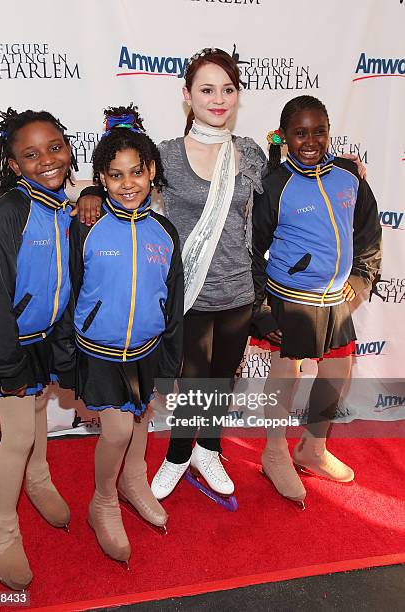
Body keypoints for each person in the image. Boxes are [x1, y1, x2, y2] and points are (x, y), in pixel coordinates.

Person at [77, 48, 267, 500]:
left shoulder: (252, 152)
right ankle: (181, 454)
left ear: (237, 95)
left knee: (221, 380)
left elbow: (275, 193)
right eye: (206, 89)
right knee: (192, 381)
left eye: (227, 89)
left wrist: (342, 166)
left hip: (238, 291)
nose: (217, 99)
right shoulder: (166, 154)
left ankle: (210, 448)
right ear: (187, 95)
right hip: (189, 293)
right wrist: (88, 189)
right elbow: (126, 182)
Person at [251, 95, 382, 507]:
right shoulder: (274, 185)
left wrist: (359, 280)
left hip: (336, 298)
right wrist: (261, 307)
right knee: (286, 373)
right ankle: (274, 453)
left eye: (319, 131)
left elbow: (368, 234)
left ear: (329, 131)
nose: (311, 140)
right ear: (285, 137)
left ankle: (313, 447)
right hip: (289, 298)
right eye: (300, 133)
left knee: (338, 368)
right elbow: (252, 249)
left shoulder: (349, 176)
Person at [0, 108, 78, 590]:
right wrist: (7, 363)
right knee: (15, 436)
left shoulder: (63, 205)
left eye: (54, 147)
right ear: (13, 165)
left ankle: (38, 477)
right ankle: (1, 530)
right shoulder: (6, 216)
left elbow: (59, 281)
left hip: (40, 340)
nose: (47, 160)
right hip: (5, 344)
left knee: (36, 413)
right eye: (30, 154)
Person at [69, 105, 183, 565]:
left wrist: (170, 358)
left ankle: (134, 480)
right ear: (101, 178)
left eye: (137, 172)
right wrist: (64, 352)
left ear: (151, 171)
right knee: (116, 429)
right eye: (115, 175)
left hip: (145, 349)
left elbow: (171, 297)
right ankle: (103, 500)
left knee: (139, 419)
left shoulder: (165, 230)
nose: (128, 183)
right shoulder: (88, 226)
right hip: (99, 350)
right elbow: (70, 288)